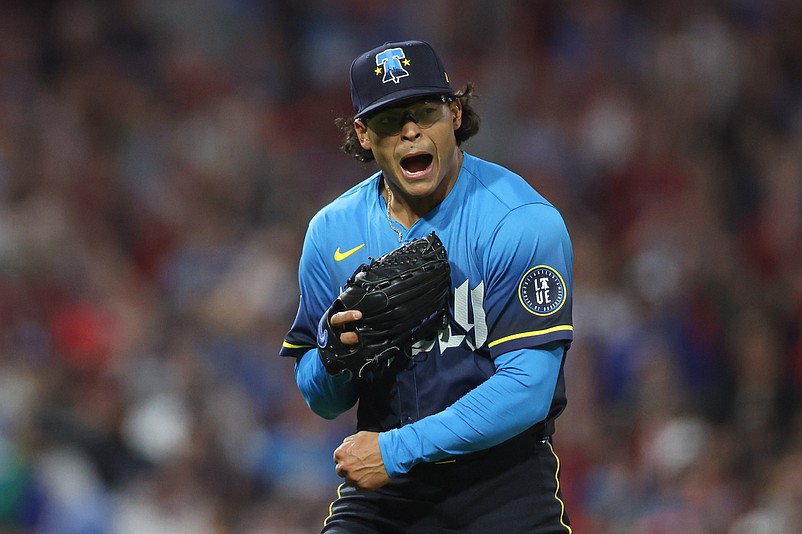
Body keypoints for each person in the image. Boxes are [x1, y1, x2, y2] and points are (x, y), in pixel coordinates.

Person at [280, 39, 574, 533]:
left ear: (455, 114)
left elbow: (529, 389)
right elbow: (321, 397)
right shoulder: (332, 232)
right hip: (387, 495)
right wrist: (338, 352)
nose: (411, 131)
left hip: (502, 483)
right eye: (391, 119)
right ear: (364, 133)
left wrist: (396, 450)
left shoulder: (520, 221)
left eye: (424, 112)